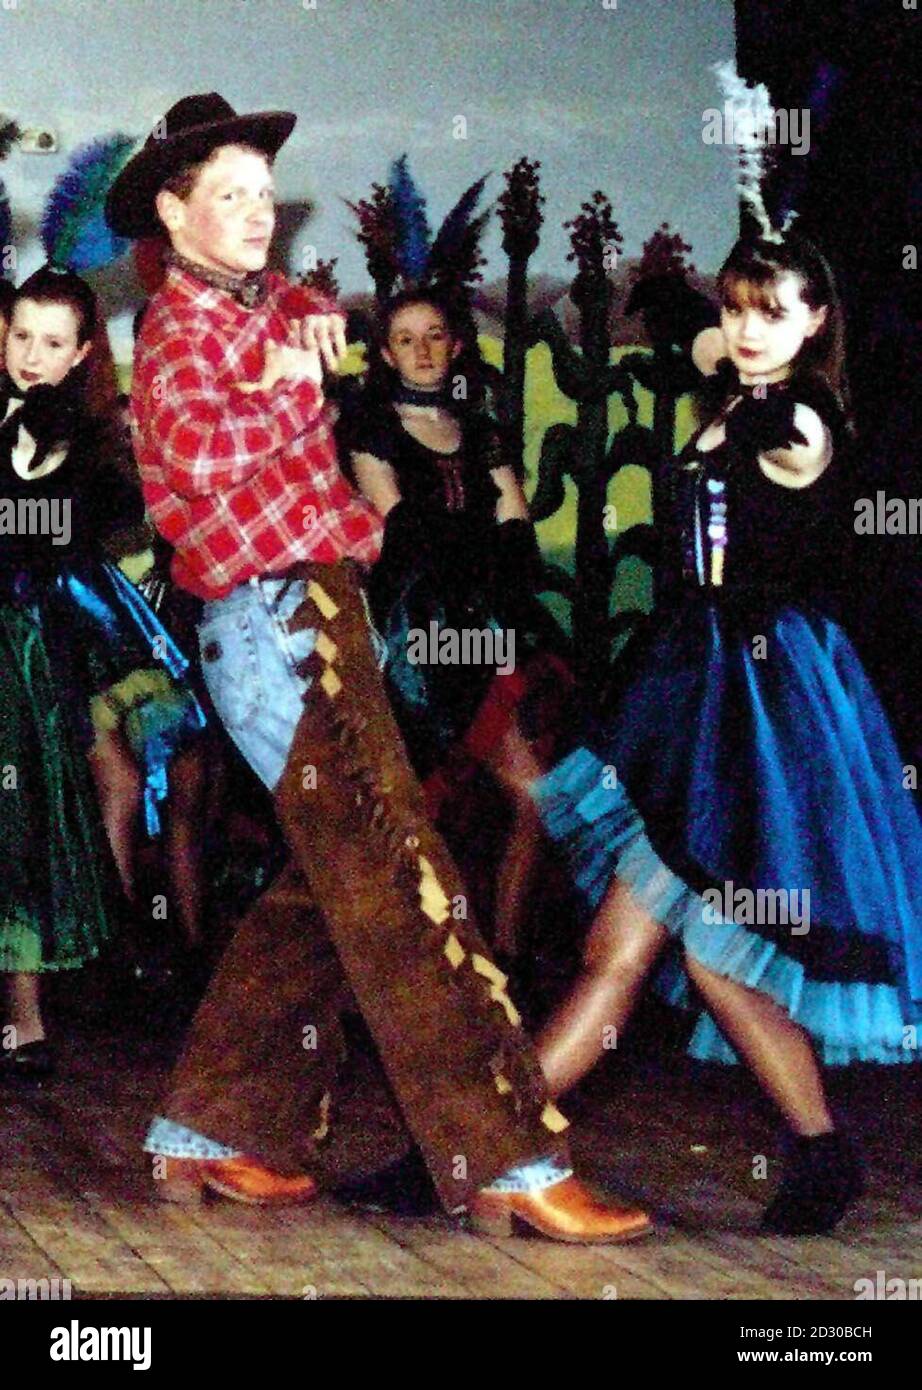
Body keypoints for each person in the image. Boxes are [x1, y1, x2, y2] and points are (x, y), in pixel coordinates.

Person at [107, 92, 650, 1241]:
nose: (258, 215)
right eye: (231, 197)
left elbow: (297, 332)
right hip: (271, 625)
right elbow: (191, 464)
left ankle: (216, 1130)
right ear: (174, 208)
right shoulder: (178, 328)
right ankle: (508, 1157)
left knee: (328, 881)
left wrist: (296, 331)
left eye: (266, 195)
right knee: (408, 888)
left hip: (320, 611)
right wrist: (284, 377)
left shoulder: (261, 310)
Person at [526, 231, 922, 1235]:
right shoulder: (746, 398)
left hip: (761, 702)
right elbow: (715, 372)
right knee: (619, 948)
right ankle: (488, 1139)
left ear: (818, 320)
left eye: (772, 310)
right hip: (697, 684)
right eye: (736, 307)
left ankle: (489, 1141)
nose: (745, 330)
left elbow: (773, 427)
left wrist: (702, 340)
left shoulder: (798, 414)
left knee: (708, 952)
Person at [0, 266, 205, 1078]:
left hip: (36, 651)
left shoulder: (89, 447)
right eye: (21, 336)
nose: (32, 356)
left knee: (35, 819)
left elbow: (68, 540)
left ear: (83, 353)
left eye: (53, 343)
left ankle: (28, 1018)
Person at [340, 288, 571, 958]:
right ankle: (409, 965)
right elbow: (403, 530)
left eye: (435, 335)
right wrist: (482, 545)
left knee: (534, 799)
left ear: (457, 344)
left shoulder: (481, 428)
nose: (421, 351)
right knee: (407, 811)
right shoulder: (370, 426)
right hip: (415, 637)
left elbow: (517, 530)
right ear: (385, 352)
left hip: (486, 622)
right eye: (405, 338)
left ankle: (501, 959)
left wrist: (490, 568)